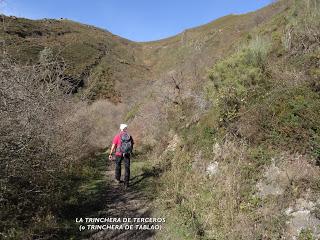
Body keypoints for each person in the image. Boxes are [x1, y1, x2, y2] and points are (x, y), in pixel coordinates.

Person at [108, 124, 134, 188]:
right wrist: (130, 151)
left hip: (118, 153)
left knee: (118, 166)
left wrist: (110, 153)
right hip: (127, 153)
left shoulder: (117, 136)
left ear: (120, 129)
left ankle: (118, 179)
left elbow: (113, 145)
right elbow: (132, 144)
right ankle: (126, 183)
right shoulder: (129, 136)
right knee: (127, 168)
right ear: (126, 128)